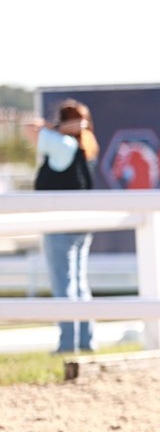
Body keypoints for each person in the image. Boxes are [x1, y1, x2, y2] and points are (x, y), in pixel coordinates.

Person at [25, 100, 100, 354]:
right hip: (81, 223)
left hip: (60, 223)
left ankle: (68, 344)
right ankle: (85, 341)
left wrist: (55, 127)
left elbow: (29, 128)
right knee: (79, 284)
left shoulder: (62, 144)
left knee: (64, 285)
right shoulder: (86, 145)